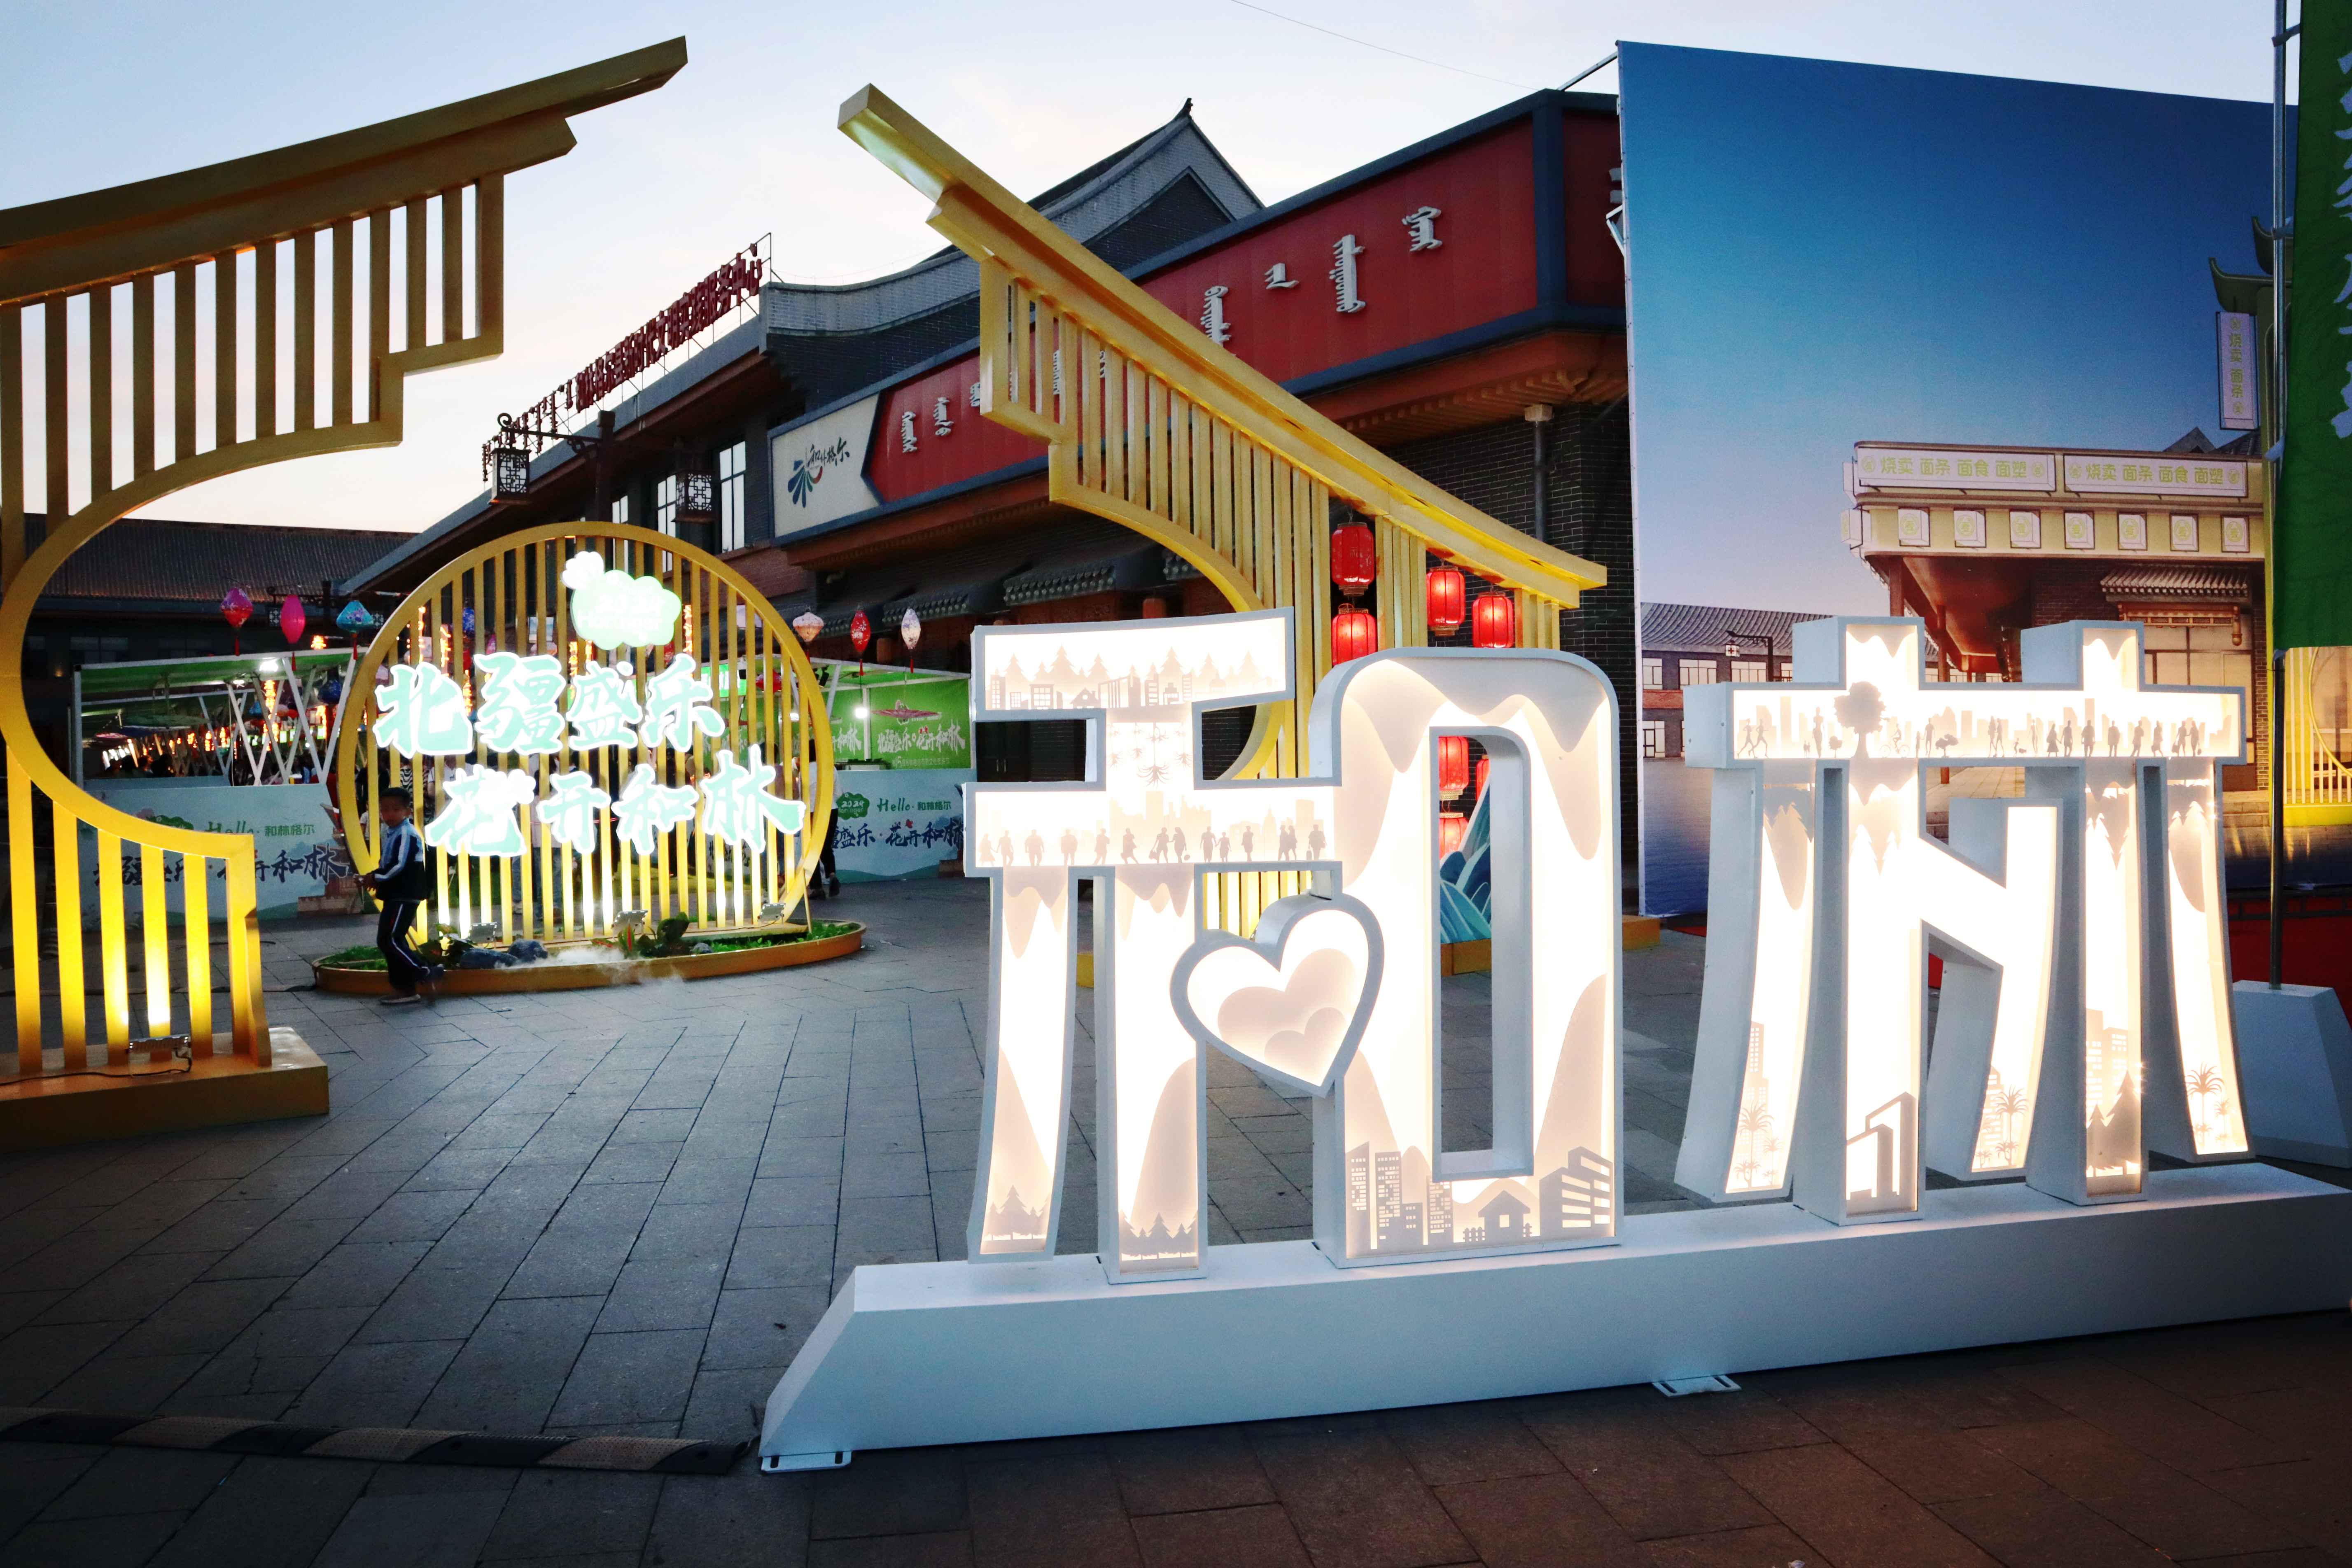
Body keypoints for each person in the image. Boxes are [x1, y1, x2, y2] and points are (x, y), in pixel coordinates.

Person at [369, 787, 440, 1006]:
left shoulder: (406, 833)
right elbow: (388, 863)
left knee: (390, 939)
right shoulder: (392, 832)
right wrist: (376, 876)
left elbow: (399, 865)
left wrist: (376, 877)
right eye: (384, 810)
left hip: (405, 894)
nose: (389, 814)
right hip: (396, 894)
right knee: (390, 940)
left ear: (407, 812)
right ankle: (404, 988)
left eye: (395, 810)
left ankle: (425, 972)